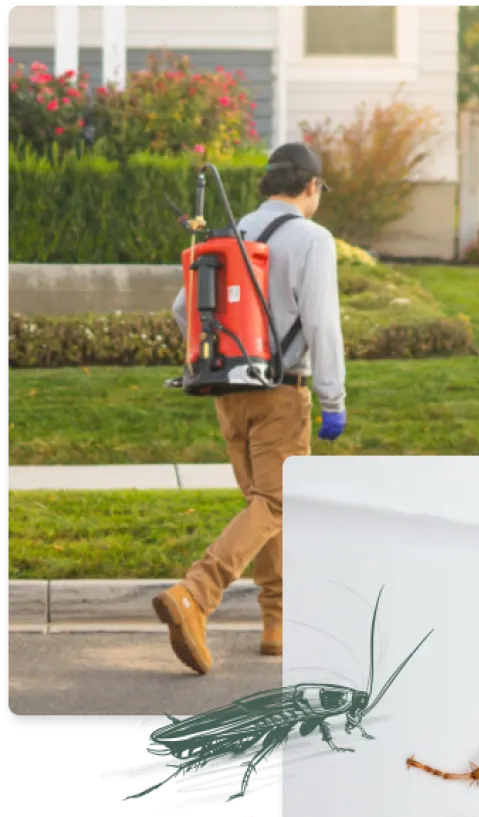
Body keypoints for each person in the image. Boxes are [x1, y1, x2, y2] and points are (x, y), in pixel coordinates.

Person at [152, 142, 346, 675]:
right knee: (278, 505)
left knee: (264, 508)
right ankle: (196, 593)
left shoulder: (230, 234)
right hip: (281, 392)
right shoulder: (312, 239)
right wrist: (333, 399)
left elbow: (180, 308)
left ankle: (276, 626)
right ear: (311, 187)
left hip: (229, 394)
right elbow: (323, 324)